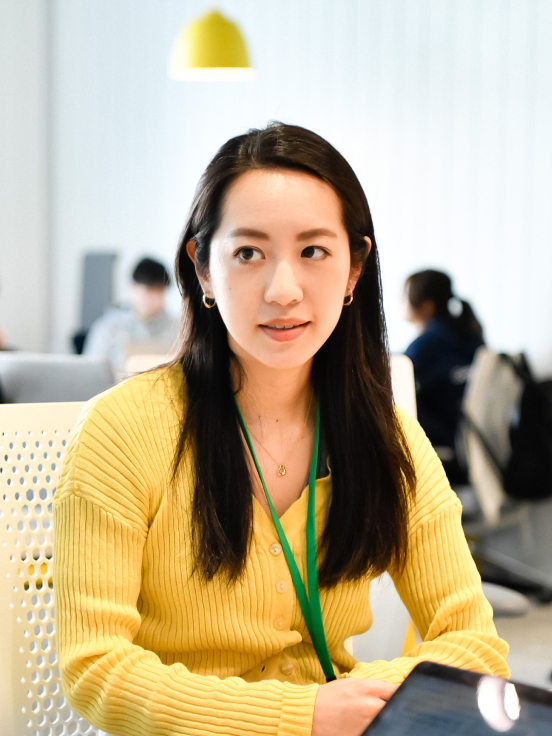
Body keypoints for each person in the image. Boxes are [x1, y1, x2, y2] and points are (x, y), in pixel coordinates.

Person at [54, 124, 508, 736]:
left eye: (314, 251)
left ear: (354, 269)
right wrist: (304, 716)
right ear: (203, 269)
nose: (283, 290)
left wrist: (364, 703)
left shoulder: (386, 436)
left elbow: (474, 643)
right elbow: (96, 669)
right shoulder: (122, 431)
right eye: (249, 253)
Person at [403, 269, 484, 484]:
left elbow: (396, 381)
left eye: (405, 296)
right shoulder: (471, 336)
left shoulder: (425, 348)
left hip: (448, 449)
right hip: (479, 447)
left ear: (426, 306)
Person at [83, 256, 180, 377]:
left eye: (159, 292)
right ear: (133, 288)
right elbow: (90, 374)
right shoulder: (108, 328)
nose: (153, 299)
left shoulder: (178, 328)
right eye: (148, 291)